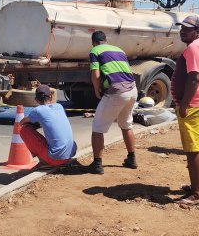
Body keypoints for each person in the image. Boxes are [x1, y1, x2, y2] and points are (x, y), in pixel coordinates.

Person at [171, 15, 199, 206]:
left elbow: (194, 78)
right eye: (182, 28)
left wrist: (185, 105)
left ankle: (196, 194)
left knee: (192, 149)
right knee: (198, 146)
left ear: (198, 31)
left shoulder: (194, 48)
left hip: (194, 105)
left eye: (188, 29)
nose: (183, 31)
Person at [84, 31, 138, 175]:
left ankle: (97, 164)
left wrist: (96, 88)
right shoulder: (119, 50)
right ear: (106, 40)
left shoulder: (95, 50)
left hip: (116, 92)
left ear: (93, 42)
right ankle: (132, 159)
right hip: (132, 89)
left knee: (98, 127)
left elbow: (95, 73)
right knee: (126, 124)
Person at [19, 85, 77, 166]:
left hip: (55, 159)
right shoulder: (59, 106)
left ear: (36, 99)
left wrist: (33, 124)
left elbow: (22, 122)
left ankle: (43, 161)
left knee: (24, 130)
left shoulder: (38, 110)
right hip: (70, 154)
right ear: (50, 97)